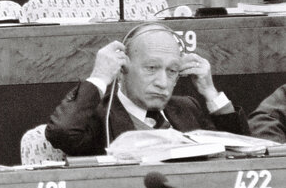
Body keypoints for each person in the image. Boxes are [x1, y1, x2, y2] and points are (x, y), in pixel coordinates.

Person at [45, 22, 249, 156]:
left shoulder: (186, 108)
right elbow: (61, 133)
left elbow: (242, 153)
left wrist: (211, 93)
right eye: (151, 68)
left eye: (172, 71)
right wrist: (99, 77)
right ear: (123, 67)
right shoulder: (100, 117)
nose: (162, 82)